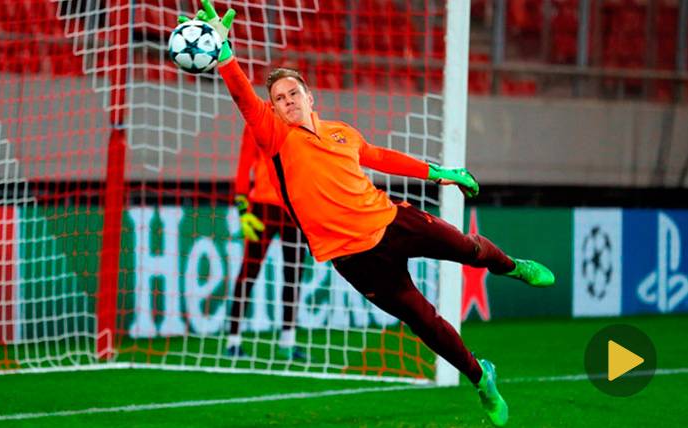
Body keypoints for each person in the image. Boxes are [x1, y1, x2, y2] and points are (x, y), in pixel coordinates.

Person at [180, 2, 555, 425]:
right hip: (354, 257)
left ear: (309, 96)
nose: (286, 102)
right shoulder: (274, 137)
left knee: (468, 248)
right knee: (424, 319)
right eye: (278, 98)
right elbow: (242, 96)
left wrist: (440, 173)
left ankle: (512, 266)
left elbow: (379, 156)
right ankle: (480, 378)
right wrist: (224, 53)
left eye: (292, 93)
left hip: (393, 221)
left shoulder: (342, 132)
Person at [227, 125, 307, 360]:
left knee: (293, 274)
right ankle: (233, 340)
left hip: (294, 209)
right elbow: (244, 165)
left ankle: (288, 341)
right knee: (249, 271)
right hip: (262, 207)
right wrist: (242, 208)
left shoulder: (303, 122)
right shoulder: (257, 122)